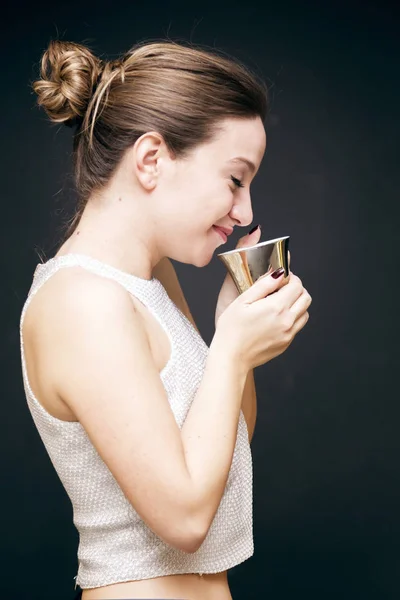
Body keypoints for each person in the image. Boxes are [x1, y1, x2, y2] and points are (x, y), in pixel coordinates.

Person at [20, 39, 311, 600]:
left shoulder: (150, 282)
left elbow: (225, 447)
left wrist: (232, 330)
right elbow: (184, 518)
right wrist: (230, 351)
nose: (246, 211)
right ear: (151, 158)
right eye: (235, 179)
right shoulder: (81, 300)